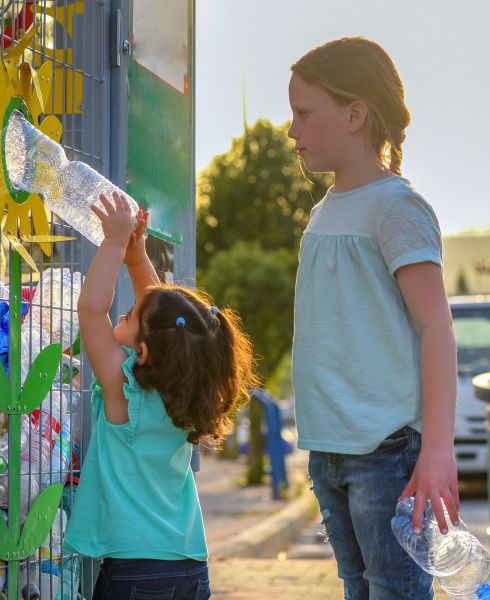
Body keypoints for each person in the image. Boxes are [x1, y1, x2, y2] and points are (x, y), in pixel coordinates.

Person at [288, 37, 459, 599]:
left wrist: (436, 449)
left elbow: (436, 328)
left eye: (304, 114)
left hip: (388, 453)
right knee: (357, 590)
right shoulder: (322, 211)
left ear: (355, 114)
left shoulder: (397, 208)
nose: (292, 131)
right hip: (329, 452)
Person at [64, 193, 257, 599]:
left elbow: (90, 311)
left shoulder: (125, 392)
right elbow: (163, 318)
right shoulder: (185, 397)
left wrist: (116, 244)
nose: (123, 313)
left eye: (131, 314)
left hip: (135, 571)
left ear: (146, 351)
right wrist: (136, 257)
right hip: (189, 564)